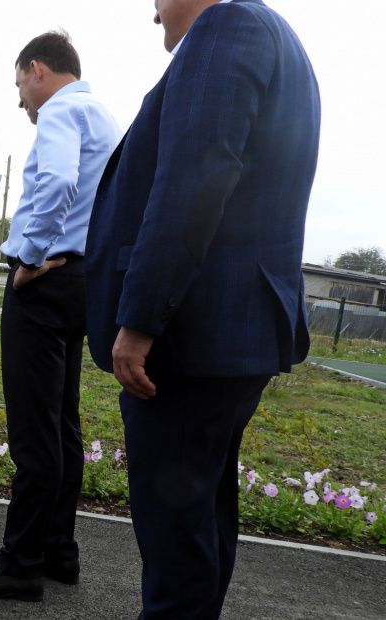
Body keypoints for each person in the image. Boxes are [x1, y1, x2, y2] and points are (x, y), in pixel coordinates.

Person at [83, 1, 320, 617]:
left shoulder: (226, 27)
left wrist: (140, 321)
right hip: (232, 332)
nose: (152, 11)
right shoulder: (276, 36)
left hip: (189, 336)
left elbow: (195, 177)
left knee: (176, 544)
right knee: (202, 525)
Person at [0, 31, 120, 601]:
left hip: (45, 283)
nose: (21, 98)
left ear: (37, 70)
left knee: (34, 432)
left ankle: (19, 564)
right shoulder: (103, 116)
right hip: (85, 281)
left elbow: (60, 179)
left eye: (19, 83)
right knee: (63, 425)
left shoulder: (62, 110)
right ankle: (57, 553)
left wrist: (29, 257)